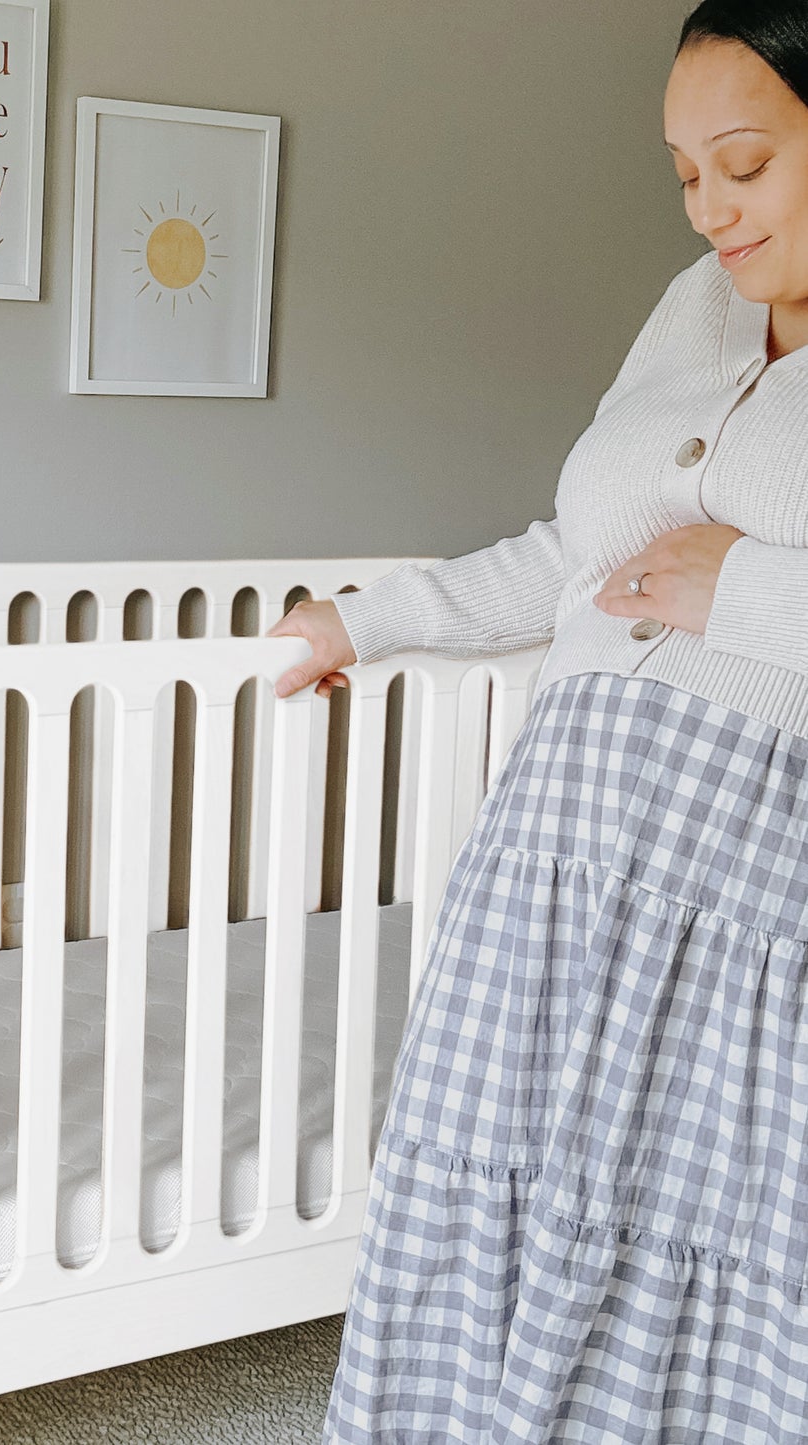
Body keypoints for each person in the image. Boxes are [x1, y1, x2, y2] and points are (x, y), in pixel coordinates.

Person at [269, 4, 808, 1439]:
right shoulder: (693, 309)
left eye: (742, 165)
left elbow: (706, 578)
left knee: (684, 1221)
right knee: (482, 1175)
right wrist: (365, 618)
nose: (708, 212)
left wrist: (746, 591)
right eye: (684, 173)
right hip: (554, 849)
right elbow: (577, 550)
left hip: (743, 880)